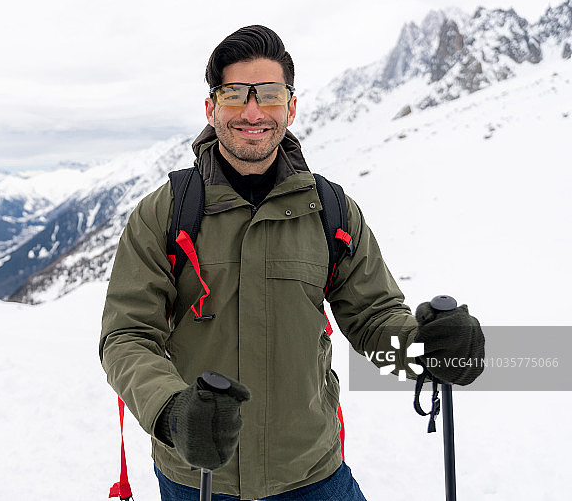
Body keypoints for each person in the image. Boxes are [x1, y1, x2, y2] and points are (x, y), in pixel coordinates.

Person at [99, 25, 484, 500]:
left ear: (291, 107)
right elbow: (126, 336)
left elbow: (372, 318)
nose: (253, 112)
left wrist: (425, 350)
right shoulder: (165, 213)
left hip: (312, 473)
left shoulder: (331, 211)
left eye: (270, 95)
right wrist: (174, 412)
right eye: (235, 95)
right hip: (198, 474)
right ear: (211, 108)